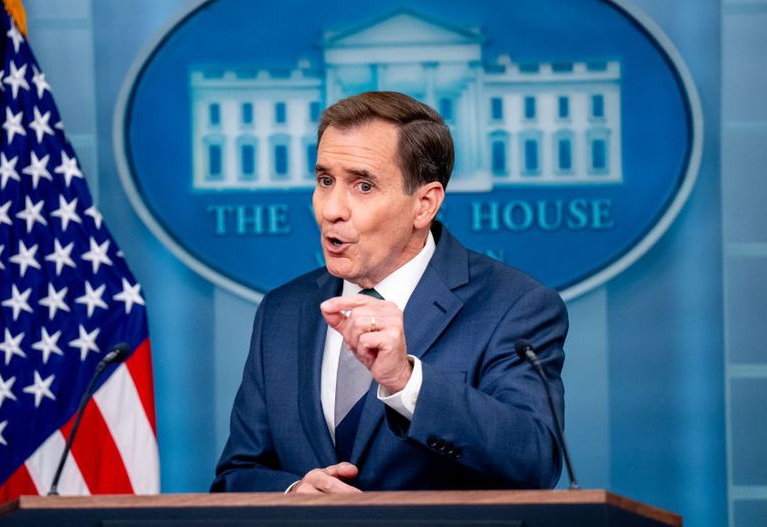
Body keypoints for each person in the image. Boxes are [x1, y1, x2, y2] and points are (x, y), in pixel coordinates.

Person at [210, 91, 568, 494]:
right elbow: (236, 475)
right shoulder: (283, 310)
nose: (331, 209)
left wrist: (405, 380)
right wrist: (292, 493)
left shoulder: (514, 305)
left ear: (424, 205)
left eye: (363, 186)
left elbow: (534, 459)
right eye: (325, 180)